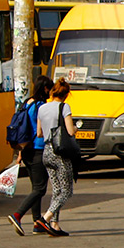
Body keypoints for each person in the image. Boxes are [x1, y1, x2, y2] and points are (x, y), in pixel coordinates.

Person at [6, 75, 53, 236]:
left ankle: (37, 222)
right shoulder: (41, 106)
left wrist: (19, 153)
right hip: (38, 149)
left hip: (26, 150)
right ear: (45, 88)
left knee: (35, 188)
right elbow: (41, 130)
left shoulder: (28, 103)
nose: (50, 92)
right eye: (50, 89)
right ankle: (17, 215)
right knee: (40, 189)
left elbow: (24, 129)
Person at [35, 78, 75, 236]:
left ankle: (55, 225)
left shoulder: (42, 108)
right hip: (60, 153)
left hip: (46, 152)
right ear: (66, 94)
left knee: (57, 190)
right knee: (66, 191)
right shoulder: (64, 107)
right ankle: (45, 219)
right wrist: (76, 128)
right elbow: (70, 131)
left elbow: (39, 133)